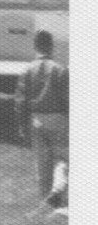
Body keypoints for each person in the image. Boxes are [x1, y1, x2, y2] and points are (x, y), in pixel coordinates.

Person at [15, 30, 68, 206]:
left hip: (36, 119)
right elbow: (68, 98)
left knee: (42, 163)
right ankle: (58, 190)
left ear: (35, 46)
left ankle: (46, 203)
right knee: (62, 159)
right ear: (51, 46)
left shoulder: (27, 70)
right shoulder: (60, 69)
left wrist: (22, 126)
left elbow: (20, 101)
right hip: (58, 117)